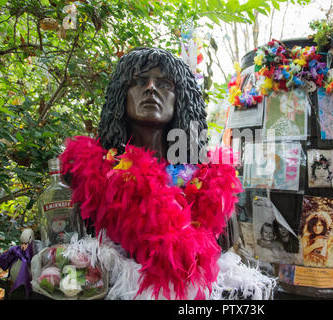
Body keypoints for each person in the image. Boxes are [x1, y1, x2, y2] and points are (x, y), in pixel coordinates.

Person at [60, 47, 242, 300]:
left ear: (182, 98)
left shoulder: (211, 184)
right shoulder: (93, 179)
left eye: (165, 83)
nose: (151, 88)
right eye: (138, 81)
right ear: (120, 95)